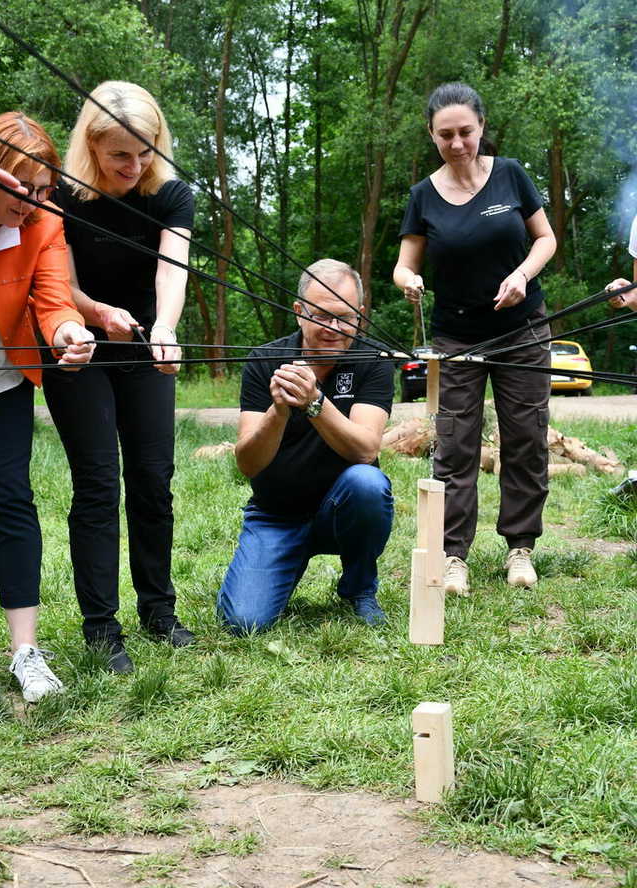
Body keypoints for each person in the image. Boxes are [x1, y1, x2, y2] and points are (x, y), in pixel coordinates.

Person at [42, 82, 195, 673]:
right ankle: (102, 626)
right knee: (99, 482)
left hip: (145, 345)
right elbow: (62, 281)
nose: (135, 166)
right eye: (120, 156)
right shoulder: (61, 195)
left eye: (146, 150)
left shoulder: (171, 195)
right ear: (92, 147)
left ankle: (159, 610)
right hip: (77, 345)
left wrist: (165, 328)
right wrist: (96, 314)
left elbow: (172, 267)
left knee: (154, 479)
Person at [394, 82, 557, 595]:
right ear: (432, 135)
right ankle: (453, 555)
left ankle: (520, 547)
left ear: (481, 127)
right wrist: (409, 283)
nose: (458, 142)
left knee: (526, 438)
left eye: (466, 131)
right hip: (455, 339)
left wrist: (522, 276)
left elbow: (546, 238)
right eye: (446, 135)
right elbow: (403, 264)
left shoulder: (509, 174)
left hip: (523, 331)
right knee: (454, 447)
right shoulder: (423, 195)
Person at [217, 259, 395, 633]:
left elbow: (365, 449)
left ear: (361, 316)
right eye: (321, 316)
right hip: (276, 514)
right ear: (298, 313)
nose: (333, 329)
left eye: (344, 318)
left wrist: (315, 403)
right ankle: (286, 557)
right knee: (243, 622)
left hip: (341, 508)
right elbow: (247, 463)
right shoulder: (264, 361)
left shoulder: (373, 360)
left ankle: (359, 587)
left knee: (368, 484)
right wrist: (278, 411)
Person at [0, 112, 94, 701]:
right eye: (22, 187)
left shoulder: (43, 223)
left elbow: (54, 300)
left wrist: (66, 334)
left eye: (44, 188)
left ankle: (25, 654)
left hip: (4, 380)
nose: (34, 202)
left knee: (10, 499)